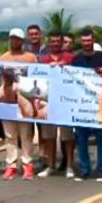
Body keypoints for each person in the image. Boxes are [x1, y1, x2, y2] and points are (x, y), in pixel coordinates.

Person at [71, 28, 102, 181]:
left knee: (101, 136)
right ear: (80, 42)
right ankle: (85, 169)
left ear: (93, 40)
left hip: (99, 103)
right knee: (81, 137)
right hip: (81, 103)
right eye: (84, 40)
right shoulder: (76, 59)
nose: (87, 43)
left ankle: (101, 169)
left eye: (89, 40)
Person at [0, 28, 38, 180]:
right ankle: (11, 165)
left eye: (17, 39)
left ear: (22, 41)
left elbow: (38, 77)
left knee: (26, 134)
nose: (14, 41)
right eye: (12, 38)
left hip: (24, 98)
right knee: (10, 135)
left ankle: (27, 164)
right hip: (7, 99)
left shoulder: (30, 57)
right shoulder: (3, 58)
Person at [37, 30, 76, 178]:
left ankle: (69, 165)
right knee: (49, 136)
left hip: (65, 102)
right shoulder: (43, 59)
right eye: (52, 41)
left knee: (67, 136)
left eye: (57, 42)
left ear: (62, 43)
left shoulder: (70, 58)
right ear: (49, 42)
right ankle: (51, 165)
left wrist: (65, 66)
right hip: (48, 102)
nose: (55, 44)